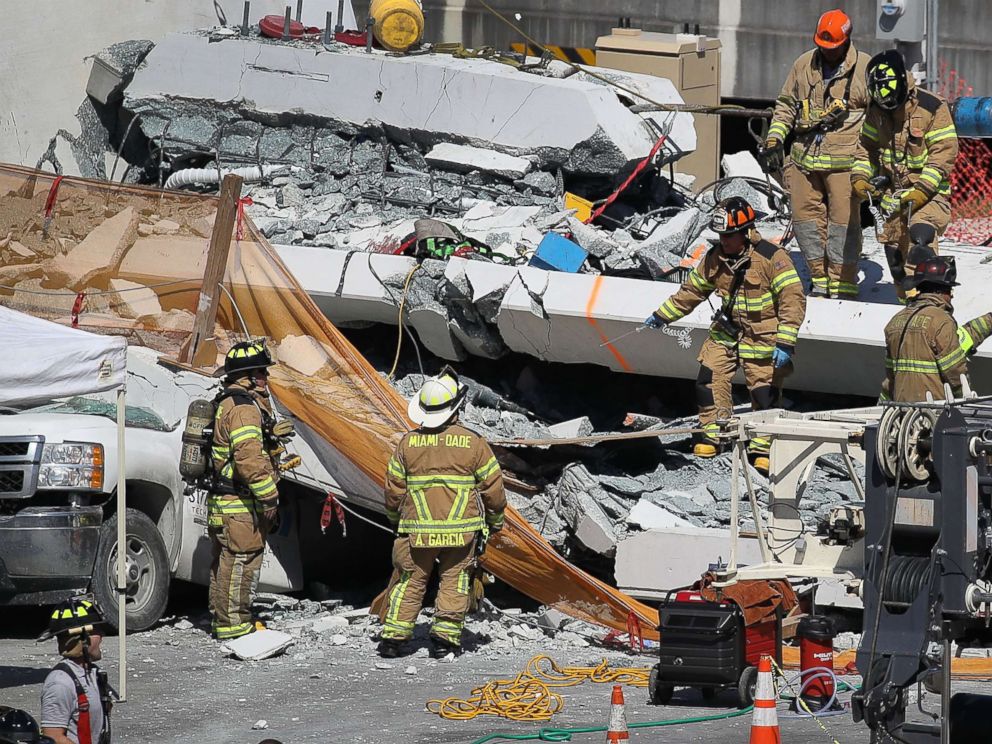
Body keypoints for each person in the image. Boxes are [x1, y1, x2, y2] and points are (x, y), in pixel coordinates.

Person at [646, 197, 807, 474]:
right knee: (708, 379)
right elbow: (693, 291)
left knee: (763, 392)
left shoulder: (772, 257)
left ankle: (762, 446)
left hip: (763, 336)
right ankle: (715, 434)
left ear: (746, 232)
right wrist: (662, 315)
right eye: (721, 235)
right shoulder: (715, 258)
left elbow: (793, 298)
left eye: (730, 235)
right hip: (727, 331)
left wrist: (785, 341)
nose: (725, 241)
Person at [377, 367, 506, 659]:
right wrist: (495, 522)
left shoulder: (407, 444)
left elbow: (393, 490)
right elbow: (494, 490)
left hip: (417, 531)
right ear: (457, 408)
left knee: (410, 580)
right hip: (461, 532)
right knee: (456, 580)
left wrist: (396, 520)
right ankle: (444, 641)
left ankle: (393, 640)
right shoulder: (474, 444)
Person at [765, 9, 871, 299]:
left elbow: (877, 120)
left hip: (844, 163)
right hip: (803, 159)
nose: (827, 53)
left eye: (832, 48)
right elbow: (786, 105)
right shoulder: (804, 65)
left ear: (846, 42)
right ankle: (819, 278)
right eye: (823, 47)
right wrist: (775, 140)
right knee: (805, 221)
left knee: (843, 224)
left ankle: (843, 282)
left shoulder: (864, 69)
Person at [852, 49, 959, 301]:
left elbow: (944, 153)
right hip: (892, 199)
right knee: (896, 258)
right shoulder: (877, 109)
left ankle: (929, 301)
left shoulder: (932, 107)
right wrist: (860, 178)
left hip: (930, 195)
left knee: (920, 238)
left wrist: (922, 190)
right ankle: (907, 305)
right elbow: (865, 147)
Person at [208, 340, 283, 641]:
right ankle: (234, 625)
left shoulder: (227, 402)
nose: (266, 378)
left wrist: (272, 438)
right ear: (247, 376)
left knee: (225, 564)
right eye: (262, 372)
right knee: (241, 562)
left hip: (225, 502)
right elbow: (249, 460)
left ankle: (222, 618)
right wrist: (270, 497)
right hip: (239, 503)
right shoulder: (243, 409)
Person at [880, 254, 992, 402]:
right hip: (934, 412)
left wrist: (882, 409)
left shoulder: (896, 321)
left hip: (903, 413)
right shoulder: (941, 321)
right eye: (950, 291)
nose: (951, 297)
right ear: (940, 291)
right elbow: (955, 372)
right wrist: (963, 402)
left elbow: (890, 378)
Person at [38, 599, 110, 744]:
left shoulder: (92, 674)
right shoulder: (60, 683)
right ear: (81, 639)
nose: (102, 636)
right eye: (96, 631)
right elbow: (54, 738)